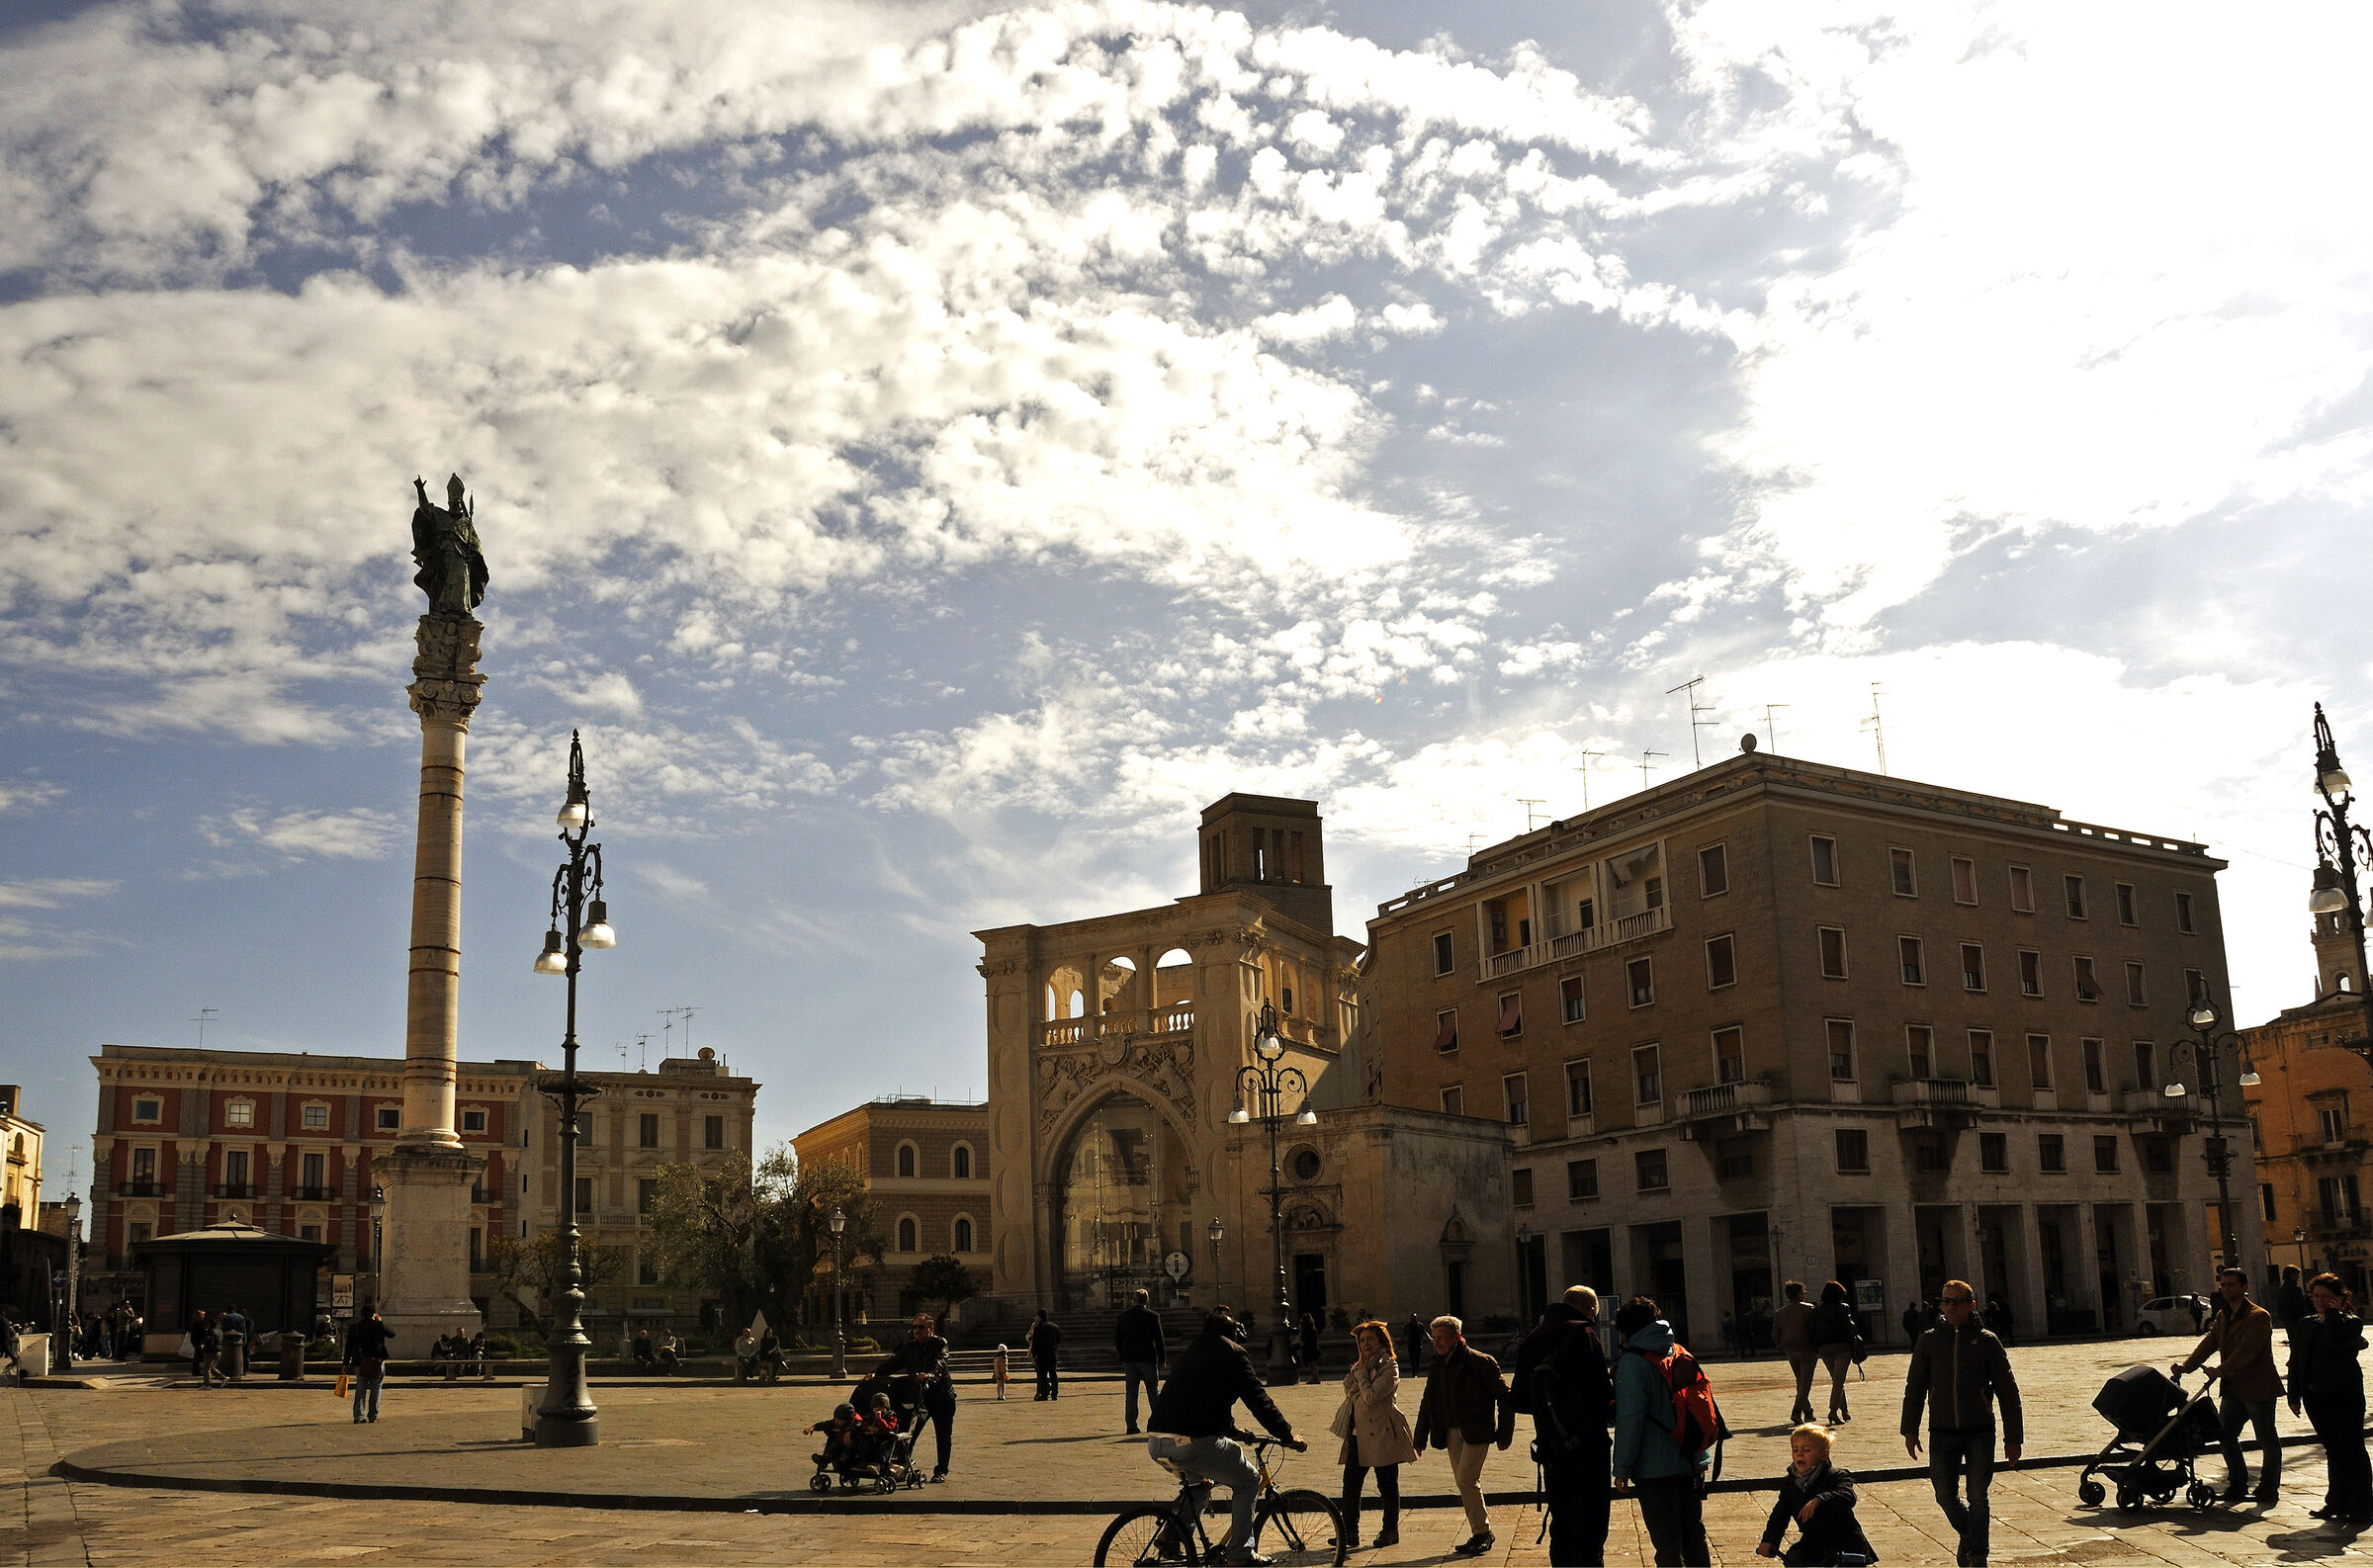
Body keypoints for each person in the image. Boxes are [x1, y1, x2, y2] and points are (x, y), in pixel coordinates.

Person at [1146, 1307, 1306, 1568]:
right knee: (1248, 1480)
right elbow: (1258, 1399)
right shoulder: (1233, 1353)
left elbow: (1201, 1401)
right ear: (1233, 1334)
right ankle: (1240, 1554)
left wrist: (1233, 1431)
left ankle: (1173, 1534)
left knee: (1201, 1484)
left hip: (1156, 1440)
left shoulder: (1193, 1351)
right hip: (1191, 1441)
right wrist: (1286, 1434)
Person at [1902, 1277, 2021, 1567]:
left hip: (1979, 1429)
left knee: (1977, 1495)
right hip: (1941, 1430)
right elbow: (1915, 1386)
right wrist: (1909, 1429)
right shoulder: (1929, 1340)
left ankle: (1978, 1554)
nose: (1950, 1306)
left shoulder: (1986, 1341)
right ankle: (1969, 1533)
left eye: (1956, 1301)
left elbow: (2007, 1390)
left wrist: (2013, 1437)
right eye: (1945, 1300)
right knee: (1944, 1493)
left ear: (1971, 1305)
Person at [1612, 1296, 1712, 1567]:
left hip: (1654, 1467)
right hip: (1690, 1458)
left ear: (1626, 1330)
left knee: (1666, 1542)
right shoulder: (1677, 1350)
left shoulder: (1634, 1361)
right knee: (1694, 1534)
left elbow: (1630, 1419)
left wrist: (1621, 1468)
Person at [2171, 1266, 2282, 1504]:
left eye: (2231, 1284)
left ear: (2245, 1287)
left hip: (2258, 1387)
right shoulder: (2223, 1315)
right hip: (2234, 1388)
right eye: (2223, 1284)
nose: (2226, 1288)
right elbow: (2209, 1343)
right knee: (2225, 1434)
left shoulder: (2258, 1315)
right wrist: (2186, 1367)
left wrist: (2220, 1371)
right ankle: (2238, 1483)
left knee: (2266, 1438)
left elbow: (2247, 1352)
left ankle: (2269, 1487)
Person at [1412, 1313, 1515, 1557]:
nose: (1436, 1343)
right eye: (1433, 1338)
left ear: (1457, 1337)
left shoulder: (1481, 1362)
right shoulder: (1437, 1365)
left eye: (1441, 1338)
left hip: (1477, 1430)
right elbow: (1427, 1402)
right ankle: (1479, 1531)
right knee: (1464, 1482)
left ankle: (1483, 1532)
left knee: (1466, 1479)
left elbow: (1505, 1397)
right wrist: (1419, 1438)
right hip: (1450, 1432)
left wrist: (1504, 1434)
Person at [1526, 1287, 1614, 1567]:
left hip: (1550, 1448)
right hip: (1588, 1445)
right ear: (1589, 1309)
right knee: (1591, 1522)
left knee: (1561, 1522)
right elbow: (1602, 1393)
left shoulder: (1532, 1338)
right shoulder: (1584, 1334)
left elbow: (1519, 1398)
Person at [2288, 1270, 2371, 1522]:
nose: (2321, 1300)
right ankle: (2336, 1501)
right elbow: (2297, 1360)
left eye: (2326, 1296)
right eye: (2316, 1296)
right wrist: (2294, 1394)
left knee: (2352, 1449)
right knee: (2333, 1450)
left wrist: (2334, 1315)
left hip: (2344, 1395)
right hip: (2316, 1396)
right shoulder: (2306, 1324)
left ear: (2338, 1297)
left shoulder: (2351, 1323)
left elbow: (2336, 1343)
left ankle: (2363, 1505)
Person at [1338, 1320, 1416, 1552]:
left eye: (1370, 1339)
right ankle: (1349, 1531)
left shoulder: (1390, 1367)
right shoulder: (1362, 1365)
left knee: (1387, 1484)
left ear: (1381, 1340)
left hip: (1383, 1432)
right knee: (1350, 1483)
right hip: (1358, 1433)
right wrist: (1360, 1372)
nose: (1365, 1344)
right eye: (1362, 1340)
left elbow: (1371, 1396)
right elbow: (1349, 1390)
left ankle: (1390, 1530)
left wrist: (1361, 1374)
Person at [1756, 1424, 1875, 1566]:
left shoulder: (1836, 1476)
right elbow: (1779, 1515)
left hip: (1845, 1542)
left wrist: (1820, 1499)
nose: (1799, 1454)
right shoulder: (1791, 1482)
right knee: (1794, 1558)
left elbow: (1847, 1495)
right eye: (1795, 1450)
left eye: (1806, 1450)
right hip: (1814, 1541)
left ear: (1824, 1455)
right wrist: (1770, 1540)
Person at [880, 1312, 957, 1482]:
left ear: (930, 1329)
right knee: (908, 1434)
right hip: (919, 1399)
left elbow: (940, 1363)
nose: (917, 1330)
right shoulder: (909, 1347)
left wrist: (929, 1375)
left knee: (943, 1437)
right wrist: (875, 1373)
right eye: (914, 1327)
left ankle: (941, 1471)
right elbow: (893, 1363)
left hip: (942, 1397)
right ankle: (902, 1466)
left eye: (921, 1327)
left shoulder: (940, 1343)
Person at [1115, 1288, 1166, 1435]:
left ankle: (1131, 1425)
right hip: (1147, 1358)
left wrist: (1123, 1354)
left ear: (1133, 1301)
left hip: (1130, 1359)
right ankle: (1158, 1422)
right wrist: (1162, 1359)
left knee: (1131, 1392)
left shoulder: (1124, 1316)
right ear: (1147, 1301)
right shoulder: (1153, 1316)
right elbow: (1159, 1340)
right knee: (1153, 1390)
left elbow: (1118, 1339)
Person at [1809, 1281, 1861, 1425]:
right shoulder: (1843, 1308)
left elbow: (1812, 1330)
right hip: (1841, 1347)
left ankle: (1845, 1410)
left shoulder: (1817, 1311)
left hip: (1824, 1348)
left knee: (1837, 1379)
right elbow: (1850, 1327)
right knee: (1839, 1380)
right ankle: (1833, 1411)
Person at [1774, 1281, 1818, 1425]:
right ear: (1799, 1293)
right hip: (1807, 1349)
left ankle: (1808, 1411)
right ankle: (1796, 1411)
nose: (1805, 1294)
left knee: (1800, 1381)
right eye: (1804, 1291)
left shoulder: (1780, 1312)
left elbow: (1775, 1333)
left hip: (1790, 1350)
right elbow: (1816, 1328)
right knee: (1805, 1383)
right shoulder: (1810, 1309)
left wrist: (1780, 1345)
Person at [343, 1304, 395, 1423]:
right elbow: (392, 1334)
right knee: (376, 1388)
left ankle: (358, 1416)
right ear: (373, 1314)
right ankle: (373, 1415)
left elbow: (348, 1346)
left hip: (360, 1361)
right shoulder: (377, 1325)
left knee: (360, 1388)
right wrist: (380, 1322)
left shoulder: (355, 1327)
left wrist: (345, 1363)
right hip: (376, 1361)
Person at [1027, 1309, 1061, 1401]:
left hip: (1042, 1355)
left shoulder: (1038, 1328)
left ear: (1039, 1317)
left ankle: (1044, 1394)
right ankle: (1054, 1394)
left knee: (1043, 1376)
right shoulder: (1055, 1327)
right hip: (1052, 1354)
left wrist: (1034, 1355)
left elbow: (1035, 1343)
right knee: (1053, 1374)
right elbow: (1058, 1340)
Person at [190, 1309, 224, 1388]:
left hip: (211, 1350)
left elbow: (210, 1342)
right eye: (203, 1315)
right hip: (217, 1350)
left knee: (207, 1368)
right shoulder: (218, 1330)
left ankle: (207, 1384)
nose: (204, 1317)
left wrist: (206, 1349)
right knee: (210, 1367)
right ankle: (222, 1378)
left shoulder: (209, 1330)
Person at [2277, 1265, 2311, 1336]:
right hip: (2297, 1319)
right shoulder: (2295, 1289)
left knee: (2292, 1338)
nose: (2298, 1277)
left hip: (2286, 1319)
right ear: (2291, 1275)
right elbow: (2299, 1305)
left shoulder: (2281, 1289)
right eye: (2296, 1274)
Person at [1299, 1312, 1323, 1383]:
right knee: (1313, 1365)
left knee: (1312, 1365)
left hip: (1310, 1349)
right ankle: (1315, 1378)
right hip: (1314, 1348)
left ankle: (1316, 1379)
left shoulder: (1307, 1330)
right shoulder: (1312, 1328)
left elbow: (1303, 1338)